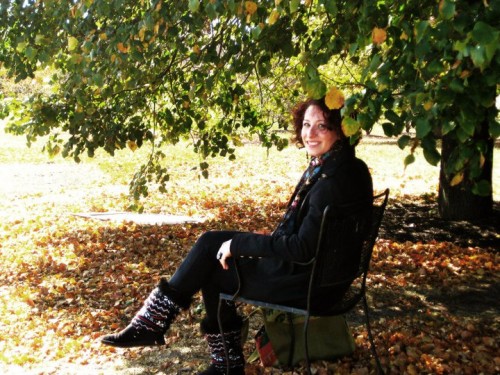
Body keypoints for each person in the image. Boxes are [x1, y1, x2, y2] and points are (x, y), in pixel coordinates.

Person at [101, 97, 373, 374]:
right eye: (306, 124)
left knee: (215, 271)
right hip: (326, 278)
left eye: (322, 126)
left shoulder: (330, 181)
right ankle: (156, 325)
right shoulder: (348, 168)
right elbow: (311, 236)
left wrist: (241, 243)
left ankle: (212, 357)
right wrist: (258, 241)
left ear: (340, 130)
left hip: (307, 284)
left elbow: (302, 248)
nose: (310, 134)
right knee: (211, 243)